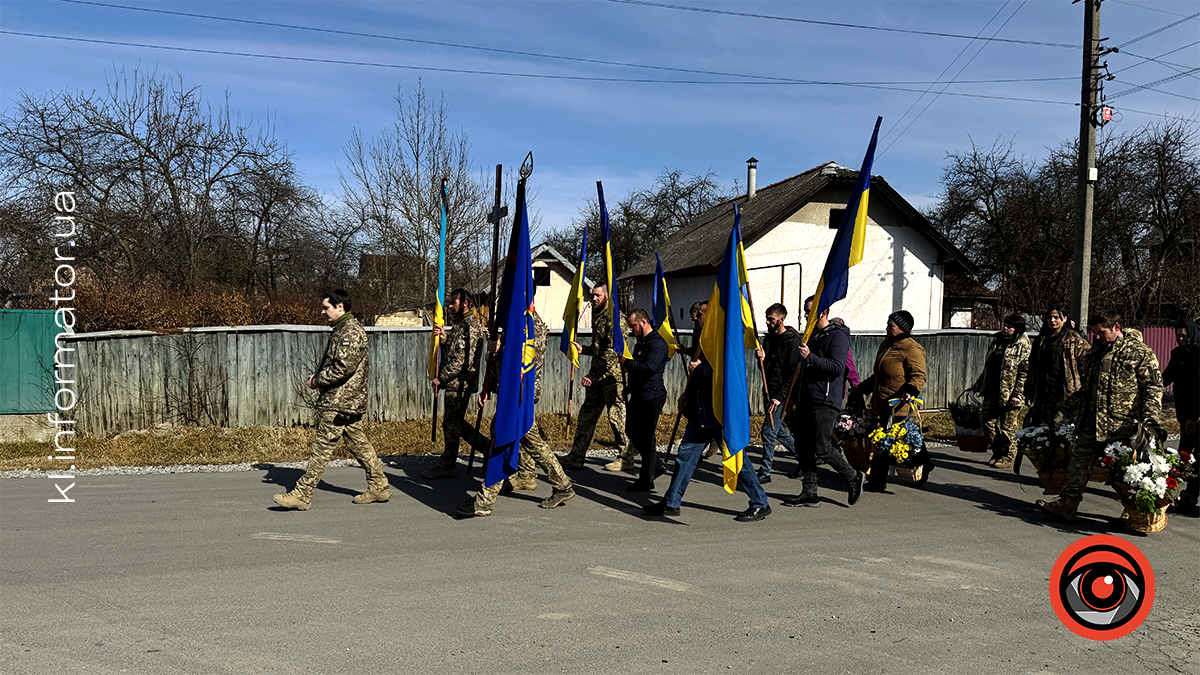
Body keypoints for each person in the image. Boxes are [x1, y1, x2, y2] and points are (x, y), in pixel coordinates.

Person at [644, 303, 771, 522]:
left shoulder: (724, 341)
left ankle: (760, 502)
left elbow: (725, 376)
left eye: (700, 314)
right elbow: (697, 374)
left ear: (711, 315)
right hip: (700, 410)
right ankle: (671, 502)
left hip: (719, 412)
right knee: (685, 456)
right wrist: (685, 396)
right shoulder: (701, 336)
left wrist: (699, 369)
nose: (695, 318)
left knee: (736, 457)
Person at [1037, 313, 1163, 523]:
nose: (1097, 337)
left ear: (1116, 327)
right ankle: (1068, 503)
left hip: (1123, 423)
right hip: (1092, 421)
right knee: (1079, 462)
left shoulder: (1139, 352)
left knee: (1126, 470)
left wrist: (1150, 417)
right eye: (1094, 333)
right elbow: (1088, 388)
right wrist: (1067, 406)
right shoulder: (1095, 352)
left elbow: (1153, 387)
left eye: (1101, 332)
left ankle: (1133, 510)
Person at [273, 289, 390, 510]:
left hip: (340, 401)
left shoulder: (350, 332)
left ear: (340, 307)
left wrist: (317, 381)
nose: (323, 312)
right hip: (345, 400)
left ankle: (302, 494)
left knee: (322, 448)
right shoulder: (343, 329)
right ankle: (379, 486)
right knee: (359, 444)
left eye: (326, 307)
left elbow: (343, 368)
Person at [456, 307, 575, 517]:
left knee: (503, 438)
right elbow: (504, 360)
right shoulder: (516, 321)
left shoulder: (532, 325)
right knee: (529, 442)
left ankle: (485, 499)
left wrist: (500, 348)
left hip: (520, 396)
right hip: (510, 394)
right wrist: (490, 384)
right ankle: (562, 485)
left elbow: (524, 362)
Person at [781, 297, 865, 507]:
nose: (806, 315)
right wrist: (794, 397)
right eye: (805, 311)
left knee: (822, 446)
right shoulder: (812, 336)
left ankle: (853, 476)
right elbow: (802, 370)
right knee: (803, 446)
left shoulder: (837, 335)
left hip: (826, 399)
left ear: (823, 313)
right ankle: (809, 492)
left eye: (809, 311)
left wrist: (810, 357)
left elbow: (837, 367)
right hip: (807, 398)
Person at [856, 310, 932, 492]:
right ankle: (878, 481)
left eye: (891, 326)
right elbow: (879, 375)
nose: (887, 328)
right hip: (882, 402)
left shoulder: (911, 348)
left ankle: (923, 464)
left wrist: (909, 391)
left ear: (902, 329)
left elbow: (919, 376)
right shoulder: (886, 344)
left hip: (899, 405)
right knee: (883, 441)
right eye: (888, 324)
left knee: (894, 441)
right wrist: (862, 388)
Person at [562, 284, 632, 471]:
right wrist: (583, 349)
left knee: (617, 418)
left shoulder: (615, 319)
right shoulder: (599, 316)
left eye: (598, 295)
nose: (594, 299)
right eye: (592, 295)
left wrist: (593, 375)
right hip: (598, 378)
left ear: (607, 297)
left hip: (612, 378)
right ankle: (577, 455)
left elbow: (612, 352)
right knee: (587, 415)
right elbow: (599, 348)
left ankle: (626, 457)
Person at [423, 288, 490, 480]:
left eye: (454, 302)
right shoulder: (460, 323)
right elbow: (454, 351)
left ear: (465, 304)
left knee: (452, 424)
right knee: (454, 423)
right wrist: (445, 339)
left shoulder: (471, 326)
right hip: (454, 382)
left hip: (461, 384)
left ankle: (449, 463)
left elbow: (461, 361)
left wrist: (440, 378)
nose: (450, 306)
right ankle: (485, 448)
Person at [970, 314, 1031, 469]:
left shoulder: (1023, 345)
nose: (1005, 328)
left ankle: (1007, 456)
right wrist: (978, 384)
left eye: (1010, 326)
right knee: (986, 420)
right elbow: (988, 367)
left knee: (1007, 427)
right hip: (992, 389)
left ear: (1017, 328)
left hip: (1010, 393)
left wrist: (1017, 394)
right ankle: (998, 452)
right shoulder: (997, 341)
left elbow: (1024, 373)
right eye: (1005, 325)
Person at [622, 308, 670, 492]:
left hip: (652, 397)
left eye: (633, 325)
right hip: (638, 394)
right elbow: (638, 372)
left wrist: (626, 363)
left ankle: (646, 479)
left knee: (647, 437)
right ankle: (656, 464)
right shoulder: (640, 342)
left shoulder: (657, 343)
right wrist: (629, 388)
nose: (631, 329)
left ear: (643, 323)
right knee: (631, 430)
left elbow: (648, 368)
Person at [753, 303, 800, 482]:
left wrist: (780, 398)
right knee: (779, 431)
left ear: (782, 319)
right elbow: (765, 369)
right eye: (767, 318)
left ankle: (765, 471)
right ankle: (805, 461)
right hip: (769, 391)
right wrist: (762, 360)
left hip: (782, 395)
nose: (768, 322)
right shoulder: (768, 339)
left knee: (768, 431)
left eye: (771, 319)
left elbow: (792, 374)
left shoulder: (791, 341)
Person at [1024, 305, 1091, 428]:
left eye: (1056, 317)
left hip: (1066, 394)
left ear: (1064, 319)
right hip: (1043, 394)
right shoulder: (1041, 340)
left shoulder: (1075, 340)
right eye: (1049, 317)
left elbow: (1085, 367)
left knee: (1063, 430)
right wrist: (1028, 391)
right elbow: (1032, 368)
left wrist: (1083, 393)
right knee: (1039, 430)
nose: (1052, 321)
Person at [1163, 320, 1200, 516]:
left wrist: (1194, 417)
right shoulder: (1178, 354)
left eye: (1184, 335)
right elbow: (1168, 375)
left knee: (1197, 459)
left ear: (1192, 334)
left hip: (1197, 415)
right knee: (1183, 455)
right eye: (1178, 335)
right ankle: (1169, 493)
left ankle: (1190, 497)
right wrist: (1152, 384)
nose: (1180, 338)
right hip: (1184, 414)